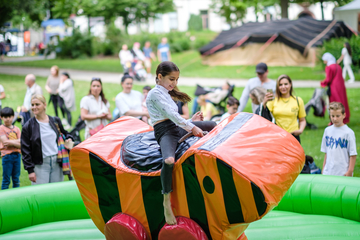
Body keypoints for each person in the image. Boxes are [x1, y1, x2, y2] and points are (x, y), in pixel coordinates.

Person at [146, 61, 216, 225]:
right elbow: (172, 115)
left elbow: (176, 119)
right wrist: (192, 127)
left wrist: (192, 122)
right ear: (160, 76)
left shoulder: (167, 93)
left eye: (176, 80)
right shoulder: (154, 94)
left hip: (177, 127)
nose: (174, 83)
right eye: (171, 79)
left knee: (213, 125)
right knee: (169, 160)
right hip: (165, 132)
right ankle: (166, 201)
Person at [21, 95, 74, 185]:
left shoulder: (55, 120)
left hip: (57, 162)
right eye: (32, 105)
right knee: (40, 195)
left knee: (56, 193)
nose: (34, 107)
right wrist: (30, 170)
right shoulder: (28, 126)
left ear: (44, 105)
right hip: (40, 164)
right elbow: (25, 150)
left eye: (37, 104)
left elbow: (66, 133)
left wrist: (69, 139)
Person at [263, 74, 306, 143]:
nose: (283, 87)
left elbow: (302, 120)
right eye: (280, 85)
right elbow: (263, 116)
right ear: (277, 86)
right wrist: (264, 102)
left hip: (294, 136)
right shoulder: (273, 101)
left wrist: (300, 130)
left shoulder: (298, 100)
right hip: (279, 137)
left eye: (286, 84)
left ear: (290, 84)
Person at [321, 102, 357, 176]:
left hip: (342, 173)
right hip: (328, 172)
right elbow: (326, 153)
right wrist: (323, 170)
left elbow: (353, 154)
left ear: (344, 115)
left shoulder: (348, 133)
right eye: (332, 116)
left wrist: (350, 171)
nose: (335, 119)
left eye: (338, 116)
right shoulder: (327, 131)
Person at [321, 53, 350, 124]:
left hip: (334, 87)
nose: (324, 61)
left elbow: (328, 79)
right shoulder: (338, 66)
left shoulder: (329, 67)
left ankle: (334, 120)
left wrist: (322, 83)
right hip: (341, 86)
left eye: (324, 60)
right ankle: (344, 117)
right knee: (342, 101)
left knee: (334, 103)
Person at [0, 107, 21, 189]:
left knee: (16, 179)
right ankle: (3, 200)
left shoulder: (17, 129)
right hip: (7, 156)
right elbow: (5, 143)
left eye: (9, 117)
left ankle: (17, 198)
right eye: (5, 117)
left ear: (13, 117)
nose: (7, 119)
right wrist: (17, 141)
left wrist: (11, 142)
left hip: (17, 156)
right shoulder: (1, 128)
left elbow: (22, 144)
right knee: (6, 179)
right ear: (1, 117)